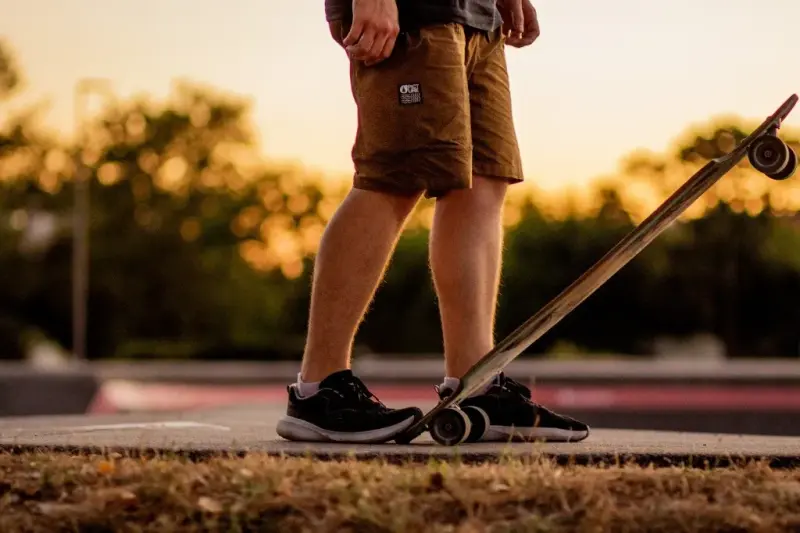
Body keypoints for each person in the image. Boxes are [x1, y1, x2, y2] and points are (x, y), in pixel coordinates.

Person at [276, 0, 590, 444]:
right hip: (412, 12)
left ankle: (475, 382)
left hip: (477, 17)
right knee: (396, 178)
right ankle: (318, 390)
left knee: (483, 182)